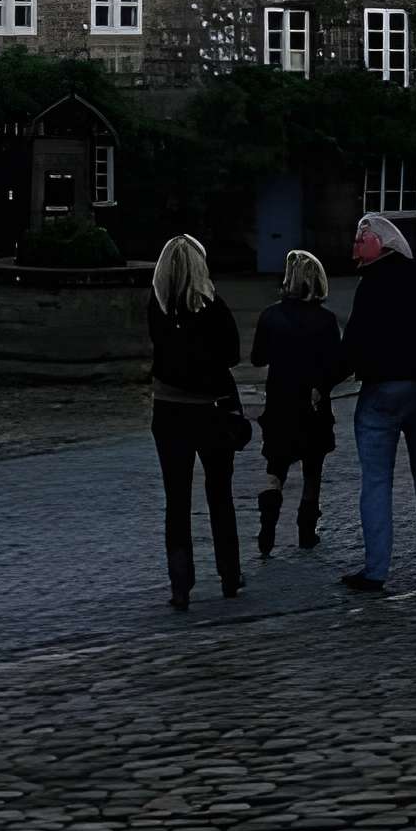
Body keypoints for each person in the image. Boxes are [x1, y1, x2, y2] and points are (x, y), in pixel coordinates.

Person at [338, 211, 416, 593]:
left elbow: (353, 347)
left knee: (376, 481)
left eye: (361, 240)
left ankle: (376, 570)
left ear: (380, 244)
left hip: (383, 392)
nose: (355, 248)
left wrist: (320, 382)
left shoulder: (371, 287)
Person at [146, 232, 244, 610]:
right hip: (212, 409)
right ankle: (230, 574)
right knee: (220, 495)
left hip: (170, 410)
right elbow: (233, 356)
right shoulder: (215, 308)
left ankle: (180, 584)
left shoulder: (157, 307)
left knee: (177, 500)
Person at [250, 248, 344, 556]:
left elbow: (257, 358)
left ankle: (268, 521)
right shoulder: (326, 320)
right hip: (313, 402)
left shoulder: (270, 315)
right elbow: (338, 364)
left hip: (280, 400)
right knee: (312, 469)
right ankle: (307, 530)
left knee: (275, 464)